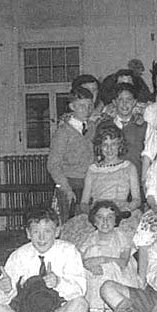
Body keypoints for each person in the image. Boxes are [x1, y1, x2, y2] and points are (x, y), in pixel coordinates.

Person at [0, 209, 88, 312]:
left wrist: (59, 282)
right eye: (36, 232)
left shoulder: (69, 251)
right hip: (24, 311)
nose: (41, 238)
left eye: (47, 231)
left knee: (81, 305)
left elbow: (80, 291)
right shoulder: (19, 255)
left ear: (57, 232)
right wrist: (6, 289)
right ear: (28, 233)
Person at [61, 123, 142, 247]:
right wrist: (94, 214)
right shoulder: (92, 169)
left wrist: (124, 210)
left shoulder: (129, 167)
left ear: (120, 145)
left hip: (121, 212)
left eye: (113, 144)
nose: (109, 149)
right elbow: (83, 203)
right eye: (105, 145)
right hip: (97, 212)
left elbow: (137, 200)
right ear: (100, 147)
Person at [78, 201, 141, 312]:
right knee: (91, 251)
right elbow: (79, 260)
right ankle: (95, 303)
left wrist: (102, 259)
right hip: (95, 274)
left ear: (116, 220)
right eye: (100, 217)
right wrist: (88, 266)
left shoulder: (122, 236)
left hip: (119, 275)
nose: (105, 221)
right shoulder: (91, 238)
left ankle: (112, 303)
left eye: (110, 217)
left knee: (107, 263)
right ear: (94, 221)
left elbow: (123, 263)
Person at [47, 87, 95, 222]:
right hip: (70, 186)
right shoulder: (63, 132)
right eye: (81, 106)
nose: (86, 110)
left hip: (90, 185)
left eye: (89, 106)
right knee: (70, 226)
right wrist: (67, 189)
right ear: (72, 106)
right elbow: (53, 165)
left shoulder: (93, 127)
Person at [103, 83, 147, 181]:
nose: (124, 104)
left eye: (128, 100)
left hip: (136, 180)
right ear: (114, 102)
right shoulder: (104, 126)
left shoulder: (144, 127)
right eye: (120, 100)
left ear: (135, 102)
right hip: (110, 181)